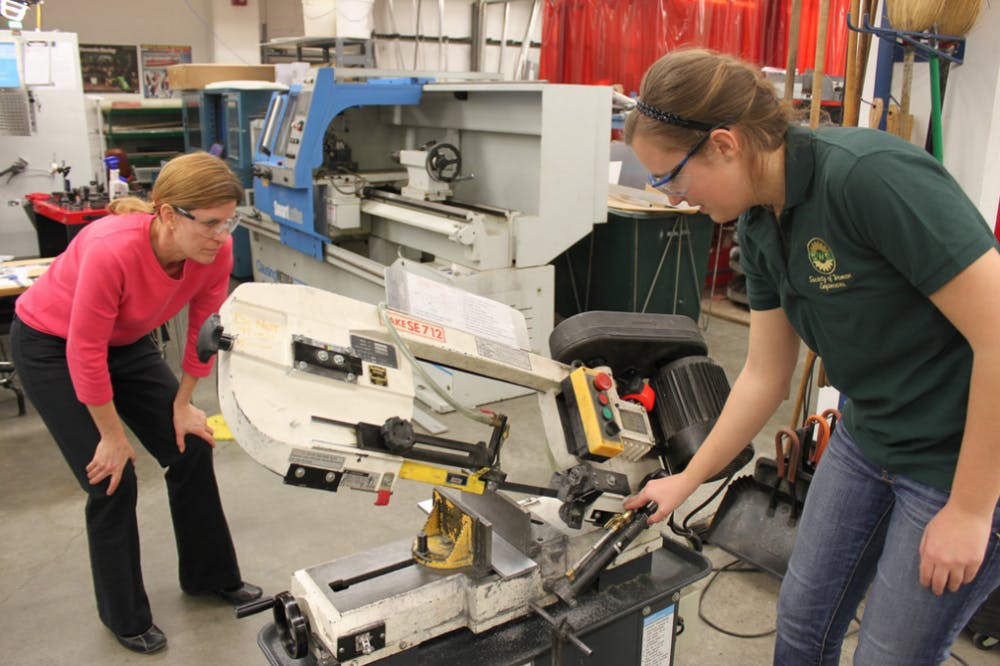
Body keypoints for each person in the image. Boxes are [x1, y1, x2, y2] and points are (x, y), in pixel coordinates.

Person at [622, 48, 1000, 665]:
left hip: (957, 459)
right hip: (868, 436)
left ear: (724, 143)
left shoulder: (869, 177)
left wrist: (970, 508)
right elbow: (766, 374)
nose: (670, 199)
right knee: (802, 625)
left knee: (888, 656)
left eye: (672, 178)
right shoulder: (757, 221)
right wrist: (688, 480)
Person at [10, 152, 262, 655]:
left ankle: (209, 576)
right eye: (211, 222)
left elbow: (203, 332)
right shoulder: (112, 250)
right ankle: (124, 614)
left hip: (125, 343)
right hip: (52, 346)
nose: (221, 234)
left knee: (191, 447)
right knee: (111, 477)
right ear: (169, 214)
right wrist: (111, 436)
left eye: (229, 220)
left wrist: (183, 404)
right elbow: (84, 351)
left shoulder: (216, 251)